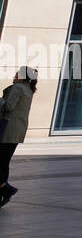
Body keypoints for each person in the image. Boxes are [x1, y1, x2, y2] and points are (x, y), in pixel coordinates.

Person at [0, 67, 37, 207]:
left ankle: (5, 189)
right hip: (18, 130)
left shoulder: (17, 88)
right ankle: (4, 191)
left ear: (21, 76)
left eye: (16, 73)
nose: (14, 75)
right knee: (4, 162)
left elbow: (8, 107)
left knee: (1, 162)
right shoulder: (29, 89)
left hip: (6, 129)